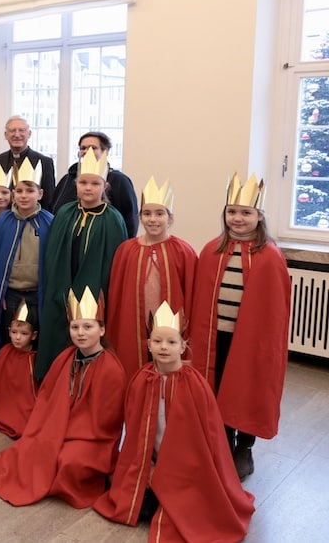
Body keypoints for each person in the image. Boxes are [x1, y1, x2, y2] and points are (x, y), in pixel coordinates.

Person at [94, 303, 255, 542]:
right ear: (148, 345)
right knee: (138, 509)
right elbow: (136, 432)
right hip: (152, 459)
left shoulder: (195, 386)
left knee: (186, 512)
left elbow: (202, 442)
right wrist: (147, 466)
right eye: (157, 341)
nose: (164, 347)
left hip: (188, 467)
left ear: (183, 346)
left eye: (171, 342)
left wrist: (168, 472)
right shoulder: (141, 381)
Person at [0, 287, 126, 508]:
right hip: (58, 426)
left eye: (88, 327)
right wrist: (52, 429)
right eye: (75, 327)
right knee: (33, 449)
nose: (80, 333)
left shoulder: (111, 368)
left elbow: (106, 423)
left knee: (69, 461)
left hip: (91, 437)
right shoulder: (65, 358)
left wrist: (67, 433)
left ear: (101, 330)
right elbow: (47, 399)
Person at [188, 173, 290, 481]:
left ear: (259, 216)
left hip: (251, 340)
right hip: (214, 335)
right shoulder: (211, 251)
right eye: (232, 211)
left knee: (247, 390)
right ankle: (222, 441)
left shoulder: (270, 256)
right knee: (217, 388)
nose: (238, 218)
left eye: (246, 212)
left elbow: (275, 310)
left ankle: (244, 447)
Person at [37, 147, 126, 379]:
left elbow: (113, 265)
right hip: (61, 288)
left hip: (94, 292)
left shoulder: (113, 219)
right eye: (83, 182)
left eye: (95, 183)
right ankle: (54, 387)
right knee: (57, 337)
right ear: (75, 184)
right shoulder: (65, 212)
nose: (88, 188)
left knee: (88, 338)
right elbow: (53, 255)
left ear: (104, 187)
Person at [106, 177, 196, 374]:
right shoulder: (126, 250)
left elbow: (191, 293)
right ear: (140, 217)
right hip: (133, 321)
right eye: (147, 213)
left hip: (169, 327)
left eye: (159, 213)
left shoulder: (183, 251)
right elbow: (116, 293)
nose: (152, 219)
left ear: (170, 218)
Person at [0, 159, 53, 353]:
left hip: (36, 292)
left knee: (34, 339)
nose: (24, 196)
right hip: (11, 293)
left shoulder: (49, 222)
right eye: (19, 191)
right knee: (10, 338)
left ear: (40, 194)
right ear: (13, 193)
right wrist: (0, 292)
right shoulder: (2, 221)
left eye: (30, 191)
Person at [52, 131, 138, 236]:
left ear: (105, 151)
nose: (87, 151)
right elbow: (55, 208)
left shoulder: (119, 180)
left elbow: (130, 218)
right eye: (83, 148)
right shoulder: (68, 178)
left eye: (93, 148)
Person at [0, 304, 38, 438]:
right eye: (14, 332)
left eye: (24, 333)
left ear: (33, 335)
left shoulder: (33, 358)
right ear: (8, 331)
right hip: (4, 402)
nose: (17, 337)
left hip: (24, 405)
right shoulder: (5, 351)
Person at [0, 116, 56, 208]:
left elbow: (49, 199)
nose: (17, 134)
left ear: (29, 134)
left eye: (22, 130)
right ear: (6, 135)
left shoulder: (44, 162)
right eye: (12, 131)